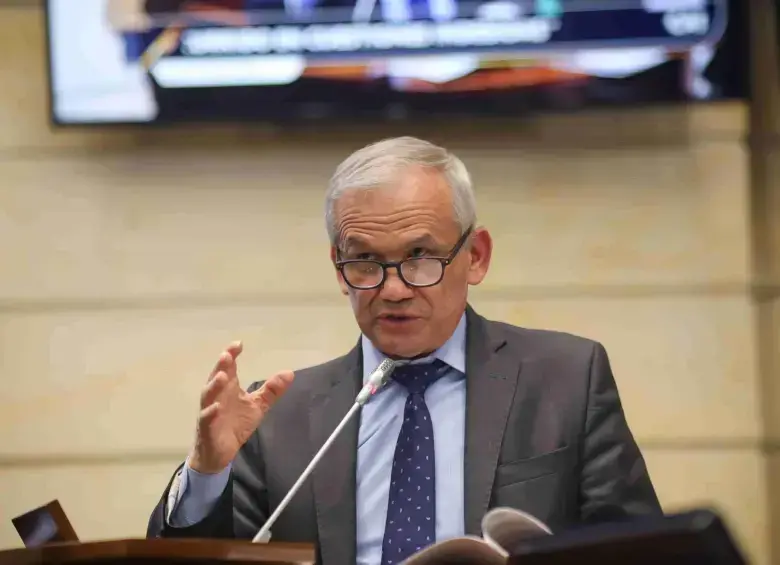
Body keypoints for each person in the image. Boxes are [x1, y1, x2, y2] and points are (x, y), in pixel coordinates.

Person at [146, 136, 663, 565]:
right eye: (365, 262)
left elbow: (643, 551)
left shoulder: (566, 378)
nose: (393, 289)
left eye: (420, 257)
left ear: (476, 257)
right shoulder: (279, 416)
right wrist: (207, 472)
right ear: (338, 269)